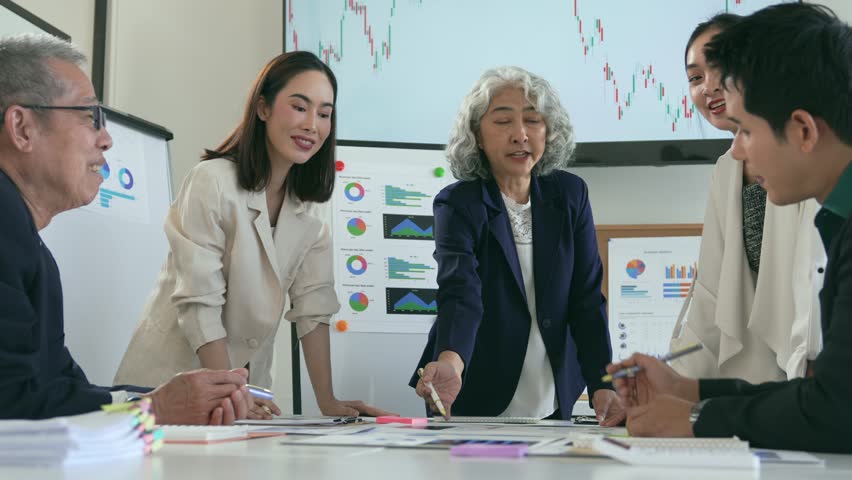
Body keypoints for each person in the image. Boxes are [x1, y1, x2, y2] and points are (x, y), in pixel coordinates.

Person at [608, 3, 852, 452]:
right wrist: (687, 390)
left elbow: (834, 407)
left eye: (745, 131)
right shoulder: (838, 217)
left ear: (802, 130)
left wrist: (698, 419)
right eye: (694, 77)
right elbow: (713, 300)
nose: (737, 152)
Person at [114, 51, 389, 419]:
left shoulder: (309, 210)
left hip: (243, 393)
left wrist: (328, 401)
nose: (312, 125)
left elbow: (314, 307)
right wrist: (233, 392)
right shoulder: (212, 181)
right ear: (263, 108)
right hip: (171, 385)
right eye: (299, 107)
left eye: (324, 114)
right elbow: (200, 303)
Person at [0, 33, 252, 424]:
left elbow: (57, 387)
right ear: (21, 127)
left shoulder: (27, 244)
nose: (106, 139)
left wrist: (178, 397)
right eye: (89, 116)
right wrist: (157, 409)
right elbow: (11, 408)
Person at [409, 66, 623, 425]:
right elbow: (461, 292)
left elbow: (586, 298)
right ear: (476, 134)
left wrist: (603, 382)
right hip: (474, 385)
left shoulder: (570, 195)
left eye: (533, 120)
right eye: (503, 121)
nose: (520, 134)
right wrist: (450, 361)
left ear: (548, 131)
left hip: (553, 390)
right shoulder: (458, 204)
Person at [669, 14, 826, 382]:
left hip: (814, 373)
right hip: (768, 384)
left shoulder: (808, 151)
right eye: (695, 78)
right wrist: (670, 380)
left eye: (720, 68)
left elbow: (812, 284)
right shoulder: (727, 167)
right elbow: (710, 298)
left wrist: (805, 380)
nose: (708, 87)